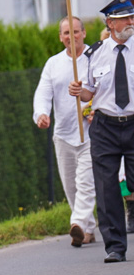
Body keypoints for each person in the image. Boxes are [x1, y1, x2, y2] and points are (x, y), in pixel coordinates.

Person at [69, 0, 134, 263]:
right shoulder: (95, 54)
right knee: (107, 189)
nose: (130, 22)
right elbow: (90, 93)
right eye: (123, 19)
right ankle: (115, 246)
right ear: (110, 23)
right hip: (105, 125)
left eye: (131, 17)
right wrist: (79, 91)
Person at [33, 17, 96, 247]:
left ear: (84, 33)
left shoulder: (94, 58)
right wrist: (41, 113)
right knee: (71, 186)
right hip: (63, 134)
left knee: (86, 182)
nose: (72, 37)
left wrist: (90, 103)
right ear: (61, 37)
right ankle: (86, 229)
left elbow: (104, 89)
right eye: (67, 33)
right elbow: (43, 93)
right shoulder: (53, 63)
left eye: (76, 32)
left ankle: (77, 221)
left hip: (92, 133)